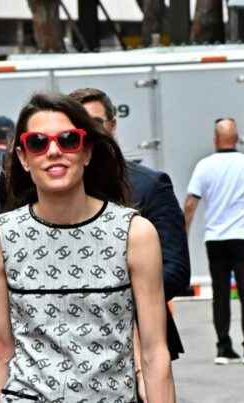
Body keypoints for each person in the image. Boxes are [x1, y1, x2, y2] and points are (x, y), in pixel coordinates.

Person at [0, 92, 175, 402]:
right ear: (23, 157)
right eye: (38, 143)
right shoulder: (0, 235)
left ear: (86, 152)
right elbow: (3, 348)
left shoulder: (134, 233)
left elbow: (154, 352)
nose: (54, 151)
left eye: (69, 140)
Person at [68, 88, 190, 369]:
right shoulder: (55, 187)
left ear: (112, 125)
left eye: (97, 123)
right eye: (80, 126)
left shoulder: (150, 185)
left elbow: (176, 271)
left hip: (139, 339)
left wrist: (109, 299)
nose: (91, 133)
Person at [184, 118, 244, 365]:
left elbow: (190, 204)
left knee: (220, 293)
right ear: (237, 138)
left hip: (216, 238)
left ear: (215, 139)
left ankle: (223, 347)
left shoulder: (204, 166)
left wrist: (181, 236)